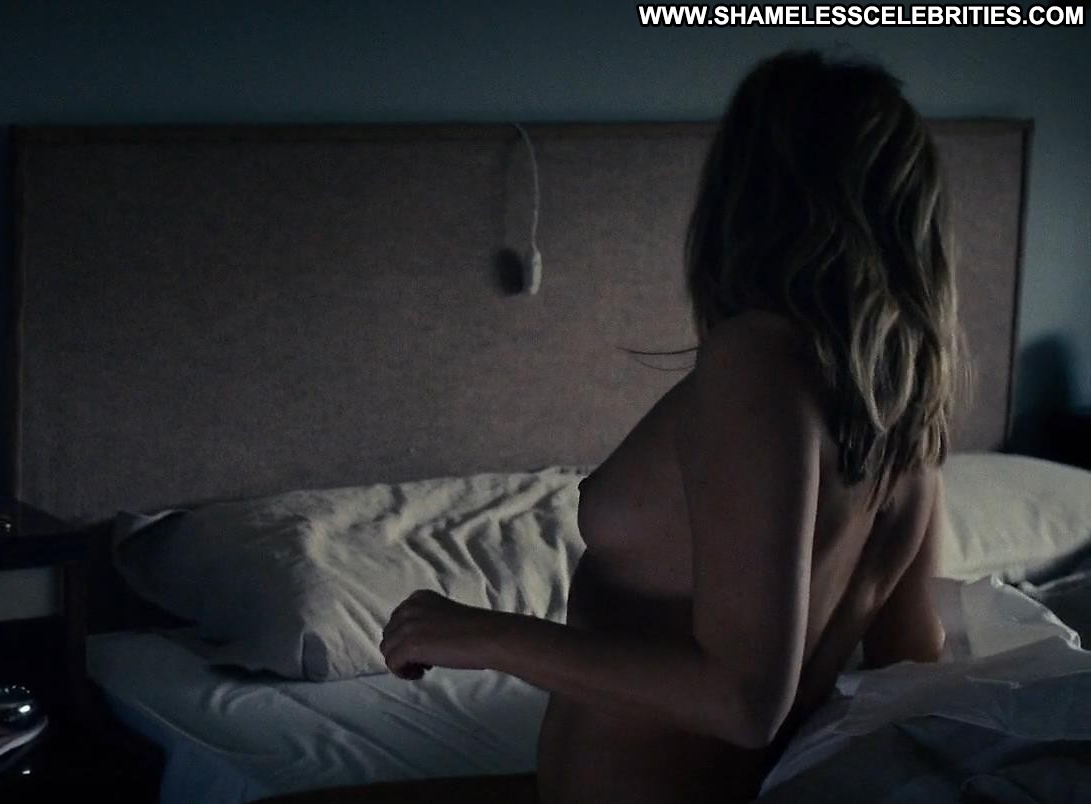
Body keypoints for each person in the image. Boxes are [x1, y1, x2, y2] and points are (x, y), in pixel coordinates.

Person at [272, 50, 960, 803]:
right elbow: (910, 665)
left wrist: (484, 635)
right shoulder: (905, 419)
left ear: (750, 192)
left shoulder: (757, 362)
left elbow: (743, 702)